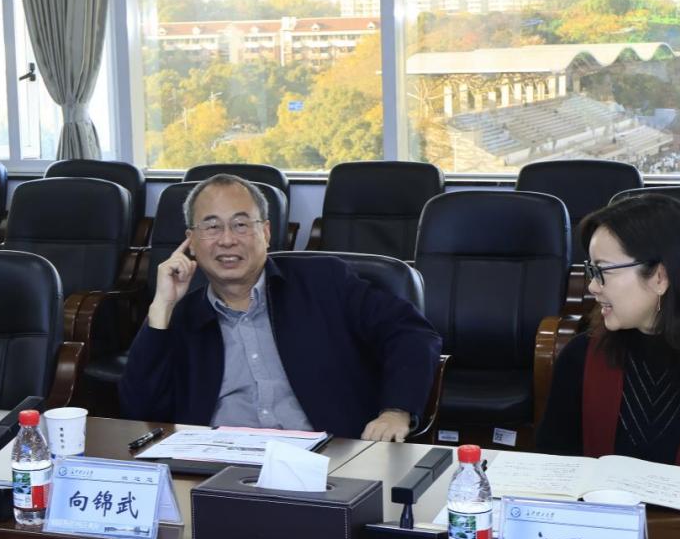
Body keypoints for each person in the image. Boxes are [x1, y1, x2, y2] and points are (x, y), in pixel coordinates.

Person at [120, 174, 442, 441]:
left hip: (327, 462)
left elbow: (410, 333)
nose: (227, 240)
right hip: (219, 466)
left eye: (241, 224)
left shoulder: (324, 282)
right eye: (212, 227)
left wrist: (396, 411)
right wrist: (160, 308)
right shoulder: (182, 315)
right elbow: (140, 411)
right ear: (191, 241)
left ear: (266, 232)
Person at [537, 193, 680, 469]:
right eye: (591, 270)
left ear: (660, 277)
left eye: (603, 271)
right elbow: (552, 467)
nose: (592, 287)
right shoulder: (582, 356)